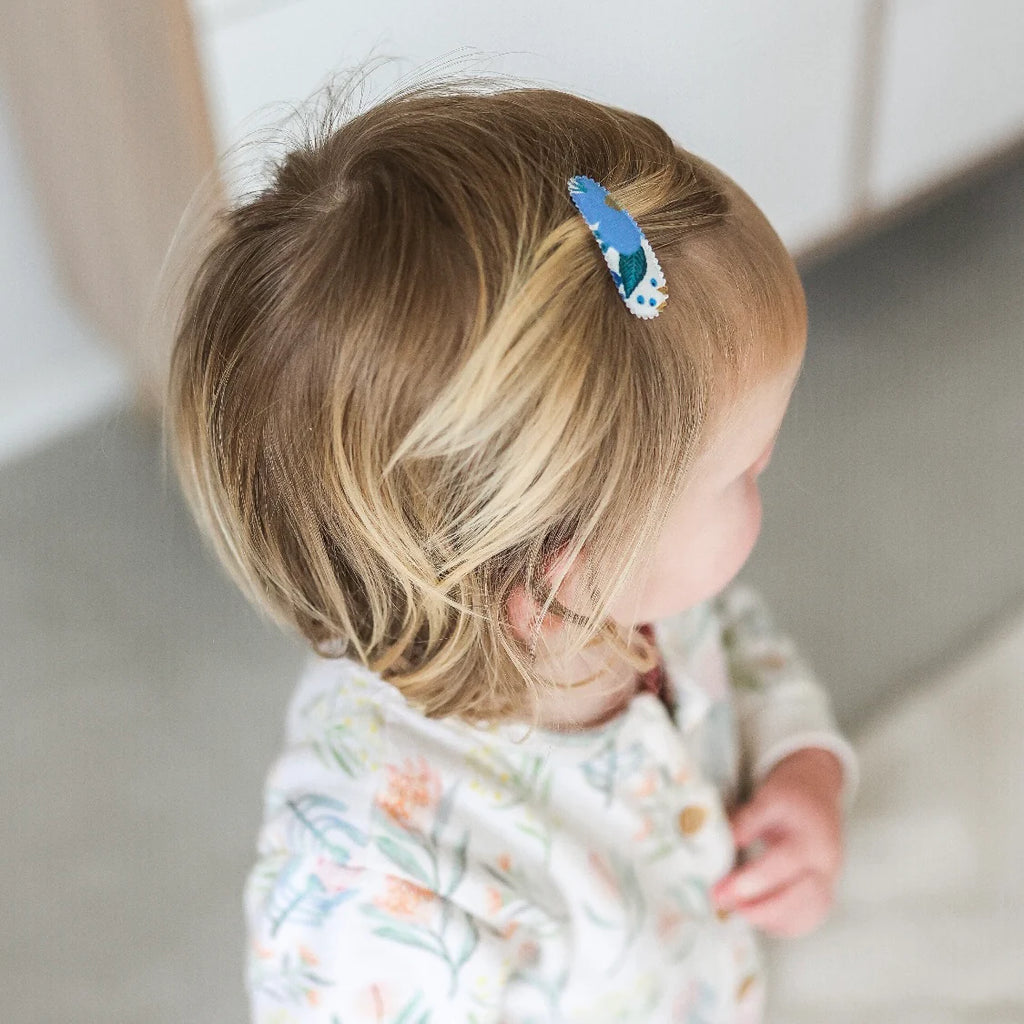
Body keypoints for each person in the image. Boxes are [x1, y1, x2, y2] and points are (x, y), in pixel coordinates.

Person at [161, 64, 859, 1023]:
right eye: (743, 469)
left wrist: (802, 769)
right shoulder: (380, 879)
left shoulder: (647, 597)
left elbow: (745, 646)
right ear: (559, 580)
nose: (773, 459)